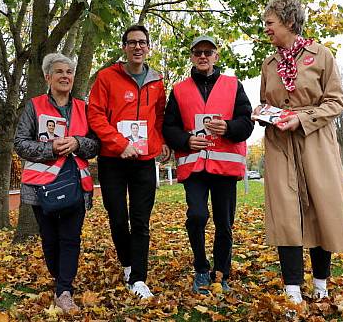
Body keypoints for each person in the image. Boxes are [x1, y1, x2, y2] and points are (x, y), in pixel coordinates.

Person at [255, 0, 343, 304]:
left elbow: (336, 101)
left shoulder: (321, 55)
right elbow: (267, 100)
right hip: (279, 145)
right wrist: (264, 114)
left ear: (288, 21)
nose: (266, 29)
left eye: (269, 23)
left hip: (315, 141)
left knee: (320, 209)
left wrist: (301, 118)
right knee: (286, 213)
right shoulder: (268, 63)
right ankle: (292, 290)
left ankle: (321, 284)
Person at [162, 35, 253, 294]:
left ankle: (221, 271)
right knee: (197, 215)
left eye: (208, 52)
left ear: (216, 56)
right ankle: (201, 267)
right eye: (198, 52)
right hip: (194, 167)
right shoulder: (179, 90)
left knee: (224, 222)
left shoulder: (233, 85)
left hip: (224, 167)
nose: (203, 56)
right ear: (192, 56)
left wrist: (228, 127)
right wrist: (186, 140)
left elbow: (246, 123)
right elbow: (169, 126)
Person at [88, 25, 170, 300]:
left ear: (148, 48)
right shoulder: (106, 77)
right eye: (132, 42)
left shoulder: (157, 80)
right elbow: (95, 116)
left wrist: (157, 145)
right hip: (113, 160)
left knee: (141, 220)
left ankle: (138, 278)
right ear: (124, 47)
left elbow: (159, 117)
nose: (138, 47)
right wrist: (120, 144)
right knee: (118, 217)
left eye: (142, 43)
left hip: (144, 161)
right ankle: (127, 264)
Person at [14, 53, 99, 314]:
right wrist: (50, 148)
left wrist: (77, 142)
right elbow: (19, 143)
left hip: (75, 184)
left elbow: (96, 143)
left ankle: (64, 290)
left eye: (69, 72)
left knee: (70, 238)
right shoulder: (34, 106)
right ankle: (60, 278)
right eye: (60, 72)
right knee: (50, 240)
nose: (65, 76)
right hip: (42, 188)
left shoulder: (84, 108)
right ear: (47, 77)